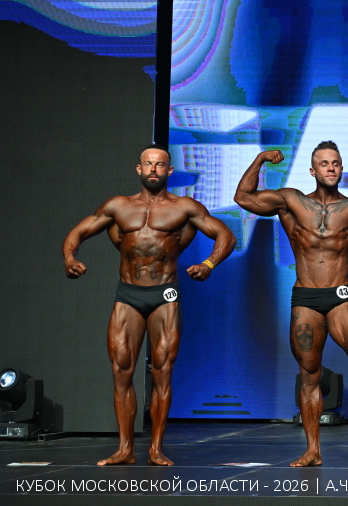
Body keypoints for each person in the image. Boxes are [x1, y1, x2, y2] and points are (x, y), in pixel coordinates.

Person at [234, 143, 348, 468]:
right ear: (313, 170)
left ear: (341, 169)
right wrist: (260, 159)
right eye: (324, 163)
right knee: (309, 374)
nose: (330, 168)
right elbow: (243, 198)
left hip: (341, 295)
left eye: (336, 163)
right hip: (306, 297)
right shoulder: (290, 201)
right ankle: (312, 450)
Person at [62, 145, 235, 466]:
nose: (154, 169)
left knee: (162, 371)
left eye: (160, 165)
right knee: (121, 369)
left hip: (165, 294)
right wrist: (70, 258)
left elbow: (225, 235)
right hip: (128, 294)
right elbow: (80, 231)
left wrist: (209, 264)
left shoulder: (185, 207)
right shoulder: (117, 206)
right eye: (148, 164)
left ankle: (155, 448)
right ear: (139, 169)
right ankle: (125, 449)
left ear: (169, 171)